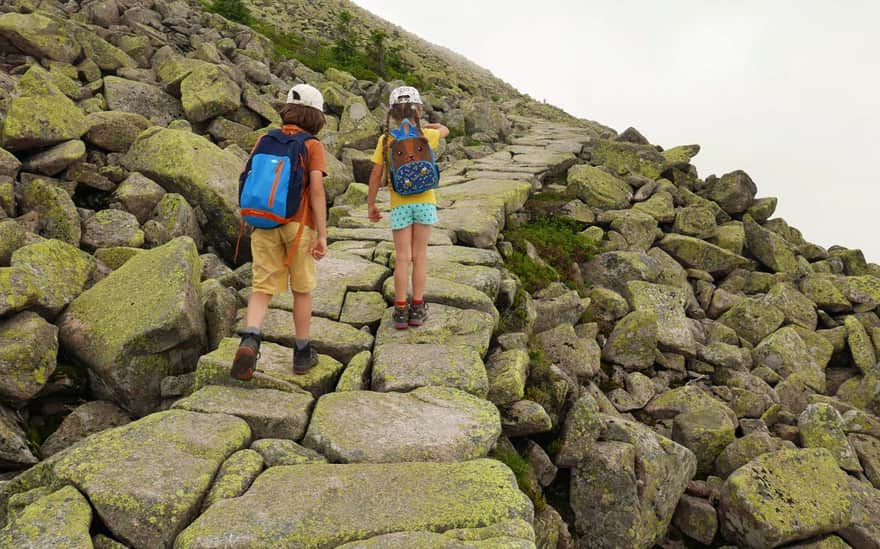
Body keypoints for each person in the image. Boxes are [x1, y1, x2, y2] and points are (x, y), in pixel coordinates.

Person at [231, 83, 329, 380]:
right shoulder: (312, 145)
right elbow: (317, 191)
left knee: (261, 288)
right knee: (302, 290)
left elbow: (246, 177)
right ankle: (301, 353)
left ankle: (250, 338)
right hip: (299, 225)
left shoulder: (264, 139)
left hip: (262, 222)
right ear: (315, 116)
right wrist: (322, 234)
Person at [367, 86, 449, 329]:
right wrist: (433, 126)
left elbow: (375, 175)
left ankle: (400, 310)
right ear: (419, 109)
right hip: (425, 202)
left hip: (399, 205)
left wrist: (371, 204)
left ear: (391, 113)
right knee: (420, 256)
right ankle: (418, 306)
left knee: (402, 258)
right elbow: (446, 130)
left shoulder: (386, 140)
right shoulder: (426, 136)